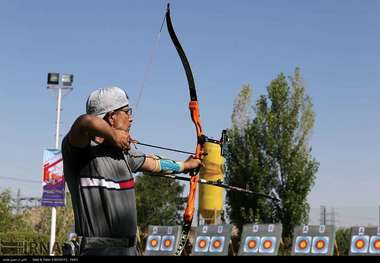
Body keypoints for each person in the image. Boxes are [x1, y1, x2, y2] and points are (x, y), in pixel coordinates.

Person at [62, 86, 202, 256]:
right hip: (96, 251)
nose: (131, 118)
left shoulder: (124, 154)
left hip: (129, 250)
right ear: (112, 117)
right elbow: (84, 122)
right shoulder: (80, 153)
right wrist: (113, 135)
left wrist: (185, 166)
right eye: (127, 112)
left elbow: (155, 164)